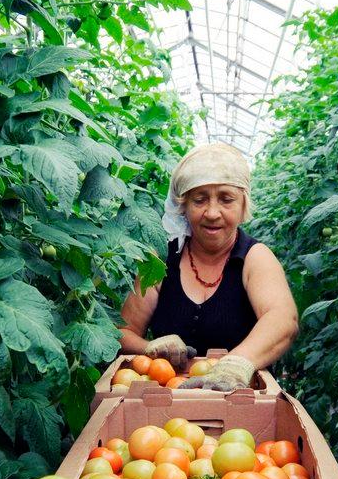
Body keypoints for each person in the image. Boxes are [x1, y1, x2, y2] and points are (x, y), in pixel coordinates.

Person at [119, 142, 298, 392]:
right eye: (199, 200)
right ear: (183, 205)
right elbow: (123, 332)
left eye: (226, 199)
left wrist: (237, 365)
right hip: (163, 406)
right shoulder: (160, 260)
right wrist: (149, 348)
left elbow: (282, 320)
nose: (212, 213)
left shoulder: (255, 258)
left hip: (240, 403)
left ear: (244, 204)